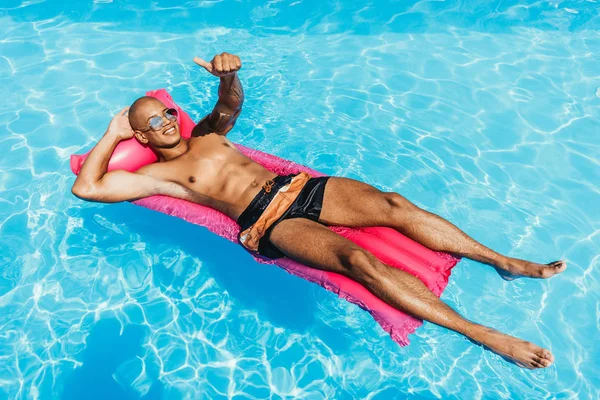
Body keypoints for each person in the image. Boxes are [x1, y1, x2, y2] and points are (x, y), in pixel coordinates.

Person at [72, 52, 566, 369]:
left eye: (165, 114)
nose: (164, 122)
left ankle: (502, 260)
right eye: (152, 123)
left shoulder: (206, 132)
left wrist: (230, 76)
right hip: (269, 222)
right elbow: (87, 189)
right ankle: (484, 334)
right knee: (360, 264)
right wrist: (112, 134)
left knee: (394, 205)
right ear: (140, 136)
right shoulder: (155, 177)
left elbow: (230, 104)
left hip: (297, 187)